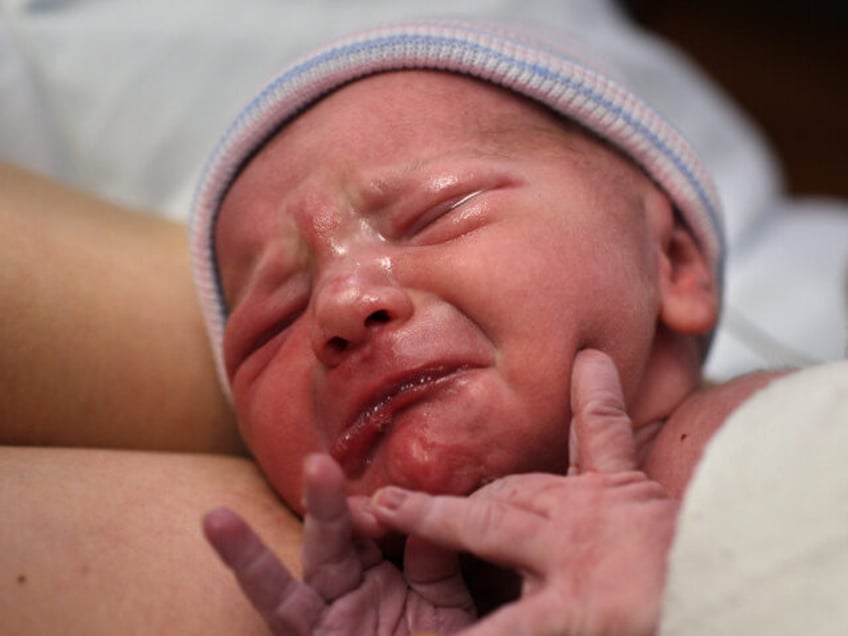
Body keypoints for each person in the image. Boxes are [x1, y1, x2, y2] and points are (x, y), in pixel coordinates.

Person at [185, 18, 788, 634]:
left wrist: (677, 597)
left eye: (438, 213)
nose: (340, 304)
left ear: (672, 265)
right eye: (273, 321)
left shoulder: (752, 435)